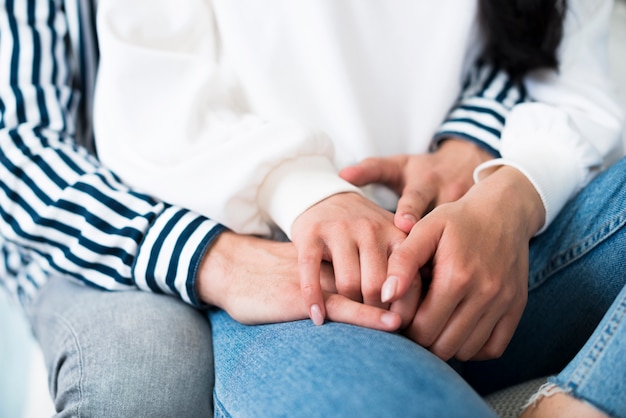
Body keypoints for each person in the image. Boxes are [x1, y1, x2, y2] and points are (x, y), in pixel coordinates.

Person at [0, 1, 624, 418]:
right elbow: (107, 110)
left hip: (453, 223)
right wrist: (250, 238)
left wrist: (502, 184)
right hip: (282, 261)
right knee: (134, 388)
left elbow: (543, 39)